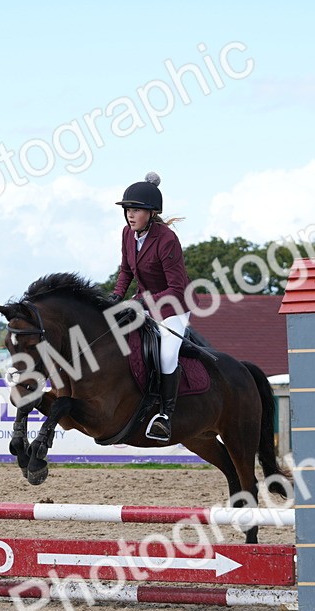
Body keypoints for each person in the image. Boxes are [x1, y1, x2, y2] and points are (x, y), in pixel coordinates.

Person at [109, 171, 193, 441]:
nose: (130, 215)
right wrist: (116, 296)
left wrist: (142, 302)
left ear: (151, 213)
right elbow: (126, 271)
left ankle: (166, 415)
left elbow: (176, 288)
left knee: (167, 355)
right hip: (143, 302)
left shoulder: (167, 239)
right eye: (127, 210)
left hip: (173, 307)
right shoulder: (127, 233)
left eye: (135, 210)